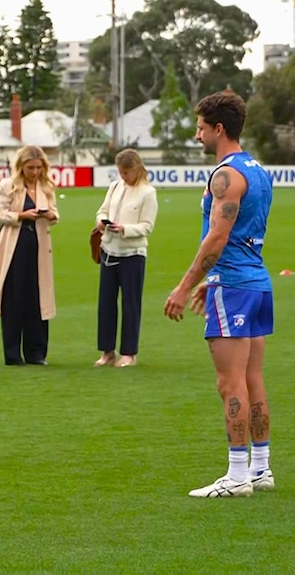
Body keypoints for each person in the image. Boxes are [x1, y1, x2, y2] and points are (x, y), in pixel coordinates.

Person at [164, 91, 275, 498]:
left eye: (200, 128)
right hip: (258, 283)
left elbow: (218, 237)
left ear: (219, 129)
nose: (197, 135)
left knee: (230, 383)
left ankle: (236, 475)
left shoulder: (225, 175)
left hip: (233, 286)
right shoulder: (259, 170)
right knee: (252, 378)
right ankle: (260, 468)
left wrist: (185, 285)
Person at [0, 145, 58, 366]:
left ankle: (37, 352)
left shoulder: (46, 186)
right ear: (21, 167)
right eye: (30, 168)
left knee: (37, 298)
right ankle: (13, 353)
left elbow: (55, 212)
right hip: (14, 247)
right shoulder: (9, 186)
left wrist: (50, 215)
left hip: (39, 246)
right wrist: (22, 215)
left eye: (38, 167)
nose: (34, 172)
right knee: (14, 299)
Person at [94, 149, 158, 368]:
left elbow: (147, 226)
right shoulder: (114, 187)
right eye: (120, 172)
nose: (123, 176)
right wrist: (103, 222)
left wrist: (125, 229)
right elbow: (102, 211)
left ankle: (129, 353)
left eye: (126, 172)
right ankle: (107, 351)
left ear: (137, 169)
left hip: (133, 254)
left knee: (130, 303)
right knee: (106, 303)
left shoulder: (147, 193)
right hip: (109, 250)